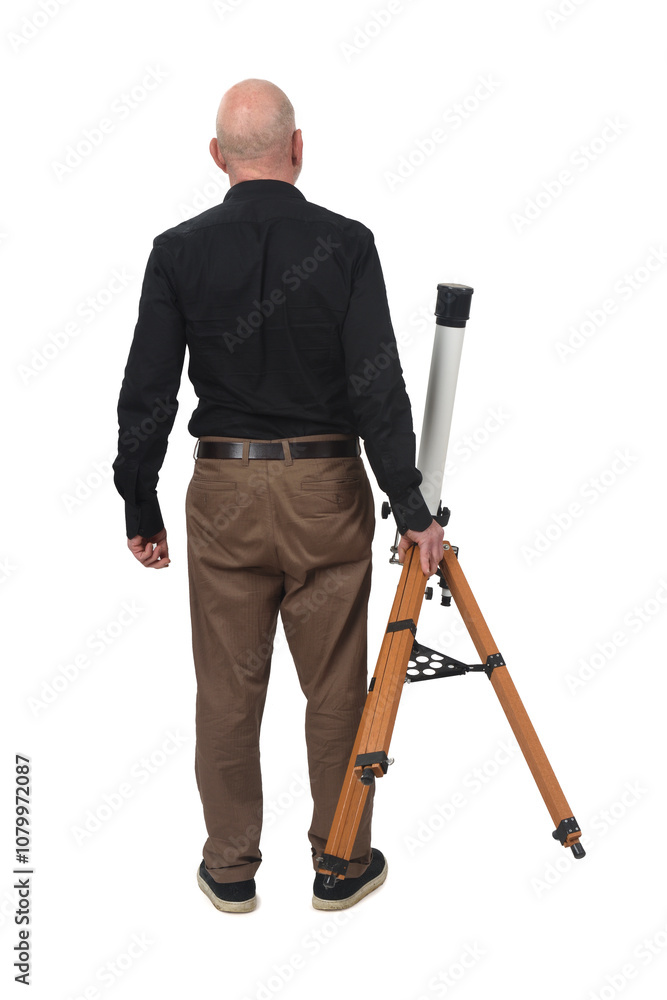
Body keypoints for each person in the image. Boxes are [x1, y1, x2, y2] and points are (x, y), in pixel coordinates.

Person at [112, 78, 444, 913]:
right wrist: (410, 508)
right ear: (297, 149)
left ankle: (230, 869)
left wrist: (139, 500)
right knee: (335, 687)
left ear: (217, 156)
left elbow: (148, 389)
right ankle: (339, 862)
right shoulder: (347, 244)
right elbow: (377, 385)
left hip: (224, 489)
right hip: (325, 489)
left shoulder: (177, 250)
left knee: (227, 689)